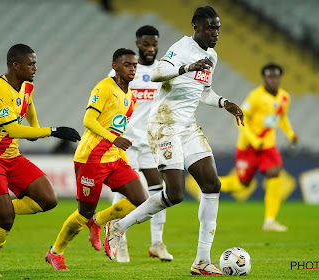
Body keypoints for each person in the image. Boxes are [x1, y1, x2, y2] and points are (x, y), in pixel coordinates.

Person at [103, 6, 244, 276]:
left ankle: (202, 260)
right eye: (209, 27)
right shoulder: (181, 48)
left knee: (212, 184)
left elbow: (203, 91)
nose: (215, 33)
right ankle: (119, 226)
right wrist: (186, 66)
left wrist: (224, 102)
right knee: (175, 195)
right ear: (195, 27)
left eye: (218, 28)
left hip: (188, 127)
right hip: (164, 126)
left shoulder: (211, 56)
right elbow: (157, 74)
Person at [0, 44, 81, 277]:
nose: (35, 68)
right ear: (15, 65)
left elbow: (27, 105)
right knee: (7, 218)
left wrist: (36, 128)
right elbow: (11, 129)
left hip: (11, 156)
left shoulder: (26, 86)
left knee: (48, 199)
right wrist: (50, 131)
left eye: (35, 63)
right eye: (30, 64)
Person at [45, 48, 149, 271]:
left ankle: (99, 221)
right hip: (91, 158)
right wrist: (114, 139)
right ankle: (55, 252)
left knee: (141, 199)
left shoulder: (131, 98)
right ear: (115, 67)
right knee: (83, 213)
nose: (132, 68)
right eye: (127, 64)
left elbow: (118, 131)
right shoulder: (104, 87)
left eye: (134, 65)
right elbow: (88, 120)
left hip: (114, 158)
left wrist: (124, 159)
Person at [108, 25, 173, 263]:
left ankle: (157, 243)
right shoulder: (123, 71)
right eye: (146, 44)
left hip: (151, 141)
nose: (150, 49)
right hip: (126, 141)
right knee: (125, 189)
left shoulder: (162, 70)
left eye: (154, 44)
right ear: (138, 44)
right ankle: (119, 238)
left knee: (159, 189)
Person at [221, 63, 297, 232]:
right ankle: (211, 183)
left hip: (268, 146)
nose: (273, 80)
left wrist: (290, 134)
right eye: (270, 77)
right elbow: (241, 120)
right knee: (243, 184)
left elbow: (282, 118)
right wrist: (254, 140)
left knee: (274, 172)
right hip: (248, 146)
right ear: (264, 78)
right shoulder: (255, 96)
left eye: (276, 77)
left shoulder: (284, 97)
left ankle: (270, 221)